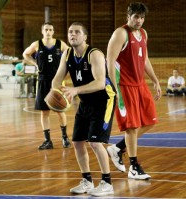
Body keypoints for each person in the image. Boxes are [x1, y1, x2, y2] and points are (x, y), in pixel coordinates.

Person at [52, 22, 116, 197]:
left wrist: (75, 90)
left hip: (104, 100)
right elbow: (57, 78)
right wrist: (55, 94)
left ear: (85, 37)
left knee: (95, 142)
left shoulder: (94, 54)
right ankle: (87, 181)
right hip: (86, 101)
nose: (73, 35)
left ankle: (107, 182)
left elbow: (100, 82)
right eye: (70, 32)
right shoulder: (67, 54)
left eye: (77, 32)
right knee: (78, 142)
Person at [106, 2, 161, 180]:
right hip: (124, 86)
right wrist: (114, 88)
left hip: (140, 84)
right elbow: (110, 61)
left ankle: (116, 148)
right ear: (128, 16)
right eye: (136, 16)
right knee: (131, 126)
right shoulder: (120, 33)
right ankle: (134, 166)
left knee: (150, 120)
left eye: (142, 17)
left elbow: (144, 59)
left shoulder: (143, 33)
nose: (139, 20)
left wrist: (155, 80)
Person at [23, 22, 71, 150]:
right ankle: (47, 140)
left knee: (60, 110)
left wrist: (65, 69)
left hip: (57, 81)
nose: (48, 32)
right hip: (43, 80)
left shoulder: (60, 44)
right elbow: (25, 54)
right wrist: (35, 63)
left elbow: (70, 55)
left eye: (50, 29)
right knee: (44, 112)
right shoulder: (37, 44)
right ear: (42, 31)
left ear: (53, 32)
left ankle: (64, 137)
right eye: (46, 29)